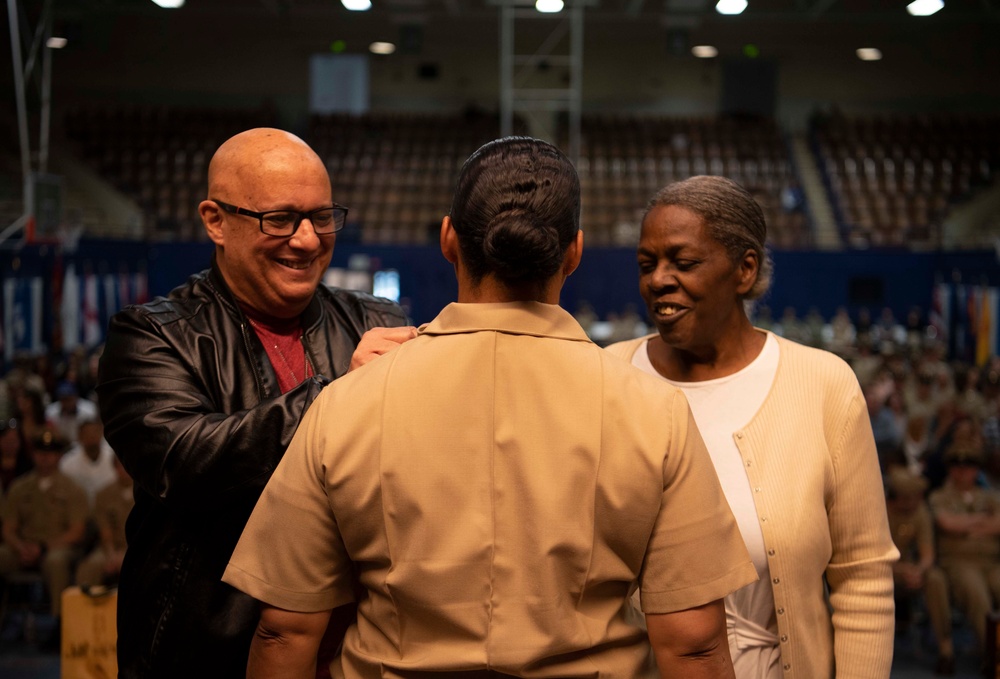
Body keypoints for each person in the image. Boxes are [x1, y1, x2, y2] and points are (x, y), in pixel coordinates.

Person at [224, 137, 757, 678]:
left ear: (449, 239)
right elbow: (692, 644)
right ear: (574, 251)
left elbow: (285, 631)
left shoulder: (344, 405)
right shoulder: (654, 413)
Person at [96, 128, 413, 679]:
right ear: (215, 221)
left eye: (322, 216)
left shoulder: (376, 321)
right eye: (280, 219)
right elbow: (184, 463)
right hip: (206, 652)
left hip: (360, 654)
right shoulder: (151, 336)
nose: (309, 240)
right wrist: (342, 394)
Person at [606, 175, 897, 678]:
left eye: (684, 262)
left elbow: (862, 578)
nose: (658, 280)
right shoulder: (608, 378)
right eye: (647, 265)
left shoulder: (823, 384)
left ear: (745, 270)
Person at [0, 427, 87, 620]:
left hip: (57, 546)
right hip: (23, 547)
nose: (45, 458)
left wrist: (43, 547)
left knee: (56, 561)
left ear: (58, 456)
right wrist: (20, 546)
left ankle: (60, 622)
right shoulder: (19, 487)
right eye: (40, 453)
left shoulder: (73, 489)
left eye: (50, 453)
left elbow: (77, 531)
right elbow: (8, 528)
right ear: (33, 454)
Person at [928, 440, 1000, 660]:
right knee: (977, 595)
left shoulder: (990, 497)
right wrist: (982, 521)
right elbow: (947, 523)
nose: (963, 472)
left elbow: (998, 523)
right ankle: (993, 656)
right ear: (950, 470)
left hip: (992, 561)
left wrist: (965, 525)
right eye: (957, 467)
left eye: (969, 468)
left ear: (976, 470)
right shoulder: (939, 496)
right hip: (958, 563)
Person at [885, 466, 954, 675]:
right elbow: (869, 558)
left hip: (909, 569)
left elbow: (927, 554)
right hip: (881, 569)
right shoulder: (878, 510)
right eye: (911, 497)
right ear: (899, 498)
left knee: (935, 578)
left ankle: (946, 648)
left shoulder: (920, 511)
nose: (917, 501)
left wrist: (918, 570)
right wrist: (901, 570)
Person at [75, 456, 133, 589]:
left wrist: (126, 553)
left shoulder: (147, 493)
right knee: (89, 568)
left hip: (137, 548)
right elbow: (105, 530)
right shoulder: (103, 495)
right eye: (120, 466)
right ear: (115, 468)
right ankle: (85, 609)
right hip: (109, 548)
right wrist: (112, 555)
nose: (124, 470)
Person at [58, 419, 116, 508]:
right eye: (87, 433)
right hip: (79, 509)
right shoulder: (67, 462)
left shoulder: (113, 457)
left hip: (110, 508)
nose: (92, 436)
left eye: (95, 432)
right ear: (79, 436)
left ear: (101, 434)